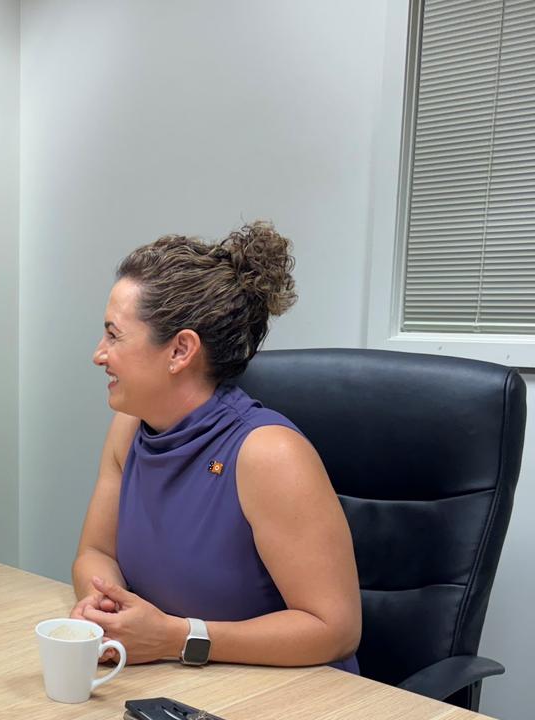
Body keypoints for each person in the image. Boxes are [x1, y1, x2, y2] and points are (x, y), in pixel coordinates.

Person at [70, 221, 361, 673]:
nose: (99, 354)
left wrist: (176, 638)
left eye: (114, 335)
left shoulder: (268, 454)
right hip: (177, 682)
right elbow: (96, 553)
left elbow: (335, 628)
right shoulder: (128, 427)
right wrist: (104, 609)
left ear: (180, 350)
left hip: (288, 697)